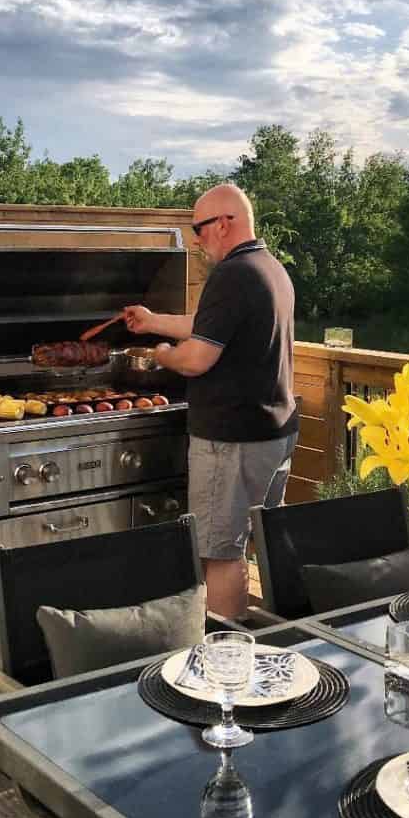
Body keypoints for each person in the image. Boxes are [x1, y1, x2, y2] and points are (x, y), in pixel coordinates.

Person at [124, 183, 298, 620]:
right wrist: (152, 323)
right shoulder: (268, 267)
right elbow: (209, 326)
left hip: (232, 439)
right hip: (274, 431)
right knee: (258, 542)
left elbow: (198, 357)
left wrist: (161, 356)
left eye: (197, 229)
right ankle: (271, 641)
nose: (195, 241)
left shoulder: (233, 274)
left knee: (220, 554)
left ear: (223, 224)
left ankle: (225, 660)